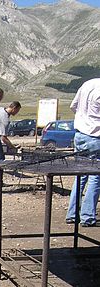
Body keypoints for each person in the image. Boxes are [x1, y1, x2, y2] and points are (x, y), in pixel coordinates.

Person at [65, 78, 100, 227]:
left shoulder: (88, 84)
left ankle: (72, 213)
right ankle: (87, 216)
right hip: (95, 135)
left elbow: (73, 106)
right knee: (95, 177)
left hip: (79, 135)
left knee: (80, 175)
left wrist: (83, 118)